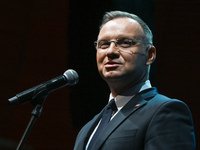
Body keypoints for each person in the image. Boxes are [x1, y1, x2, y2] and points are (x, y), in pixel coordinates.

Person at [73, 10, 196, 150]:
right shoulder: (87, 129)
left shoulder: (166, 111)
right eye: (104, 44)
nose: (110, 51)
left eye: (125, 43)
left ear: (150, 55)